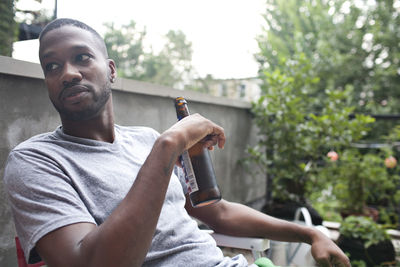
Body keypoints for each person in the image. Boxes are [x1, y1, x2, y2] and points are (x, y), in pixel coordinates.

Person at [3, 18, 350, 267]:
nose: (67, 73)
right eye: (51, 65)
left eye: (81, 57)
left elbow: (216, 210)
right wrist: (171, 144)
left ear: (110, 70)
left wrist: (309, 234)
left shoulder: (145, 140)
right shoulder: (36, 160)